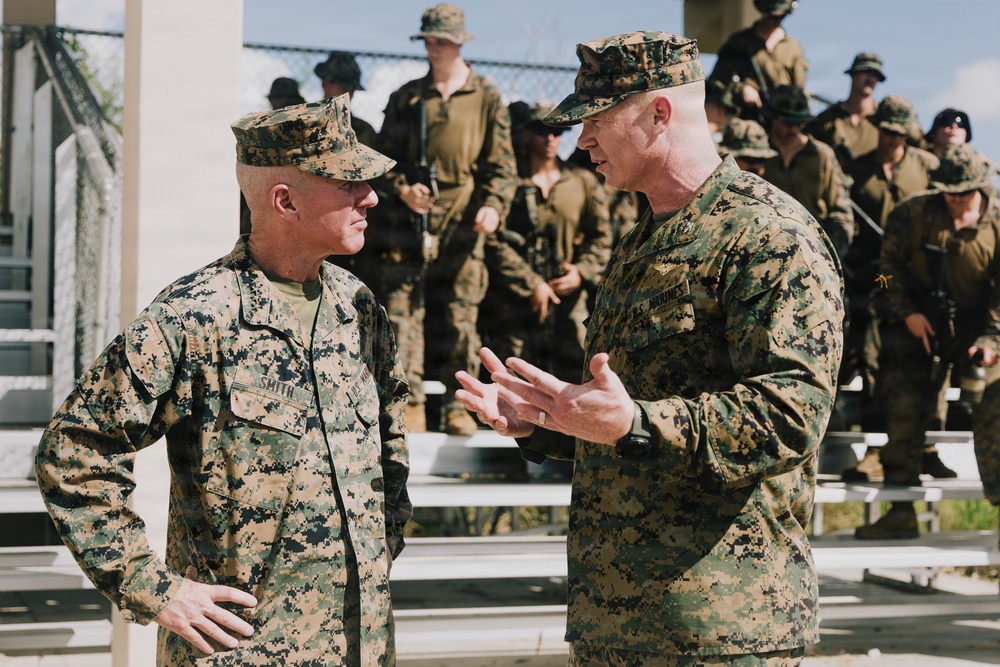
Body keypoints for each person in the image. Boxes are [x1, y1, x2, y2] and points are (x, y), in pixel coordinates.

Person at [456, 31, 843, 664]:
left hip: (720, 627)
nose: (582, 140)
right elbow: (630, 420)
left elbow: (791, 415)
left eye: (597, 120)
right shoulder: (642, 239)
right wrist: (549, 422)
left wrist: (635, 424)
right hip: (616, 623)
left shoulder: (768, 235)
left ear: (659, 113)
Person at [35, 96, 412, 665]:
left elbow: (390, 429)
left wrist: (384, 541)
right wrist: (153, 588)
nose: (370, 196)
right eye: (347, 183)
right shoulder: (196, 314)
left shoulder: (356, 307)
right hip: (242, 651)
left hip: (360, 645)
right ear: (285, 201)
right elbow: (74, 452)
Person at [377, 3, 515, 434]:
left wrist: (493, 206)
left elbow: (502, 166)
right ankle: (409, 406)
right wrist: (402, 188)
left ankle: (460, 407)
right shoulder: (407, 97)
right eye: (429, 40)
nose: (434, 47)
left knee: (460, 315)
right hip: (410, 223)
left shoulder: (486, 95)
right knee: (402, 313)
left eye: (443, 41)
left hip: (463, 221)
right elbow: (381, 159)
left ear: (459, 43)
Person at [855, 144, 1000, 539]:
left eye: (963, 192)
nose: (955, 199)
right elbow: (884, 271)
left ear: (979, 187)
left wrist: (990, 340)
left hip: (977, 327)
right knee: (901, 402)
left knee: (994, 399)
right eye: (948, 192)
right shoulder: (912, 212)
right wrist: (906, 312)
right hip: (918, 322)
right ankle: (900, 510)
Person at [841, 94, 946, 478]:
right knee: (873, 356)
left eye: (900, 133)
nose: (892, 139)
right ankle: (875, 447)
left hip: (920, 276)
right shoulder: (857, 169)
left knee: (929, 355)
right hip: (876, 276)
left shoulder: (927, 166)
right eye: (886, 131)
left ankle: (928, 445)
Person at [481, 102, 611, 409]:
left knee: (575, 377)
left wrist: (580, 272)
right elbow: (492, 241)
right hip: (515, 299)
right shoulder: (510, 184)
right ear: (526, 134)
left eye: (558, 132)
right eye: (542, 132)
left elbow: (602, 237)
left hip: (568, 299)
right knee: (514, 381)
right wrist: (531, 283)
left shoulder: (582, 182)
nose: (551, 139)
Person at [315, 50, 389, 299]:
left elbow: (380, 183)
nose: (346, 95)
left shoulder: (364, 132)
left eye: (351, 89)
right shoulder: (304, 129)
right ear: (324, 83)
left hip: (358, 232)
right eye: (341, 86)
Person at [762, 85, 854, 260]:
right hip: (765, 247)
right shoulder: (758, 155)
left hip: (813, 251)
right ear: (773, 117)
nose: (794, 129)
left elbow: (841, 213)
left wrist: (829, 253)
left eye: (799, 123)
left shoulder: (822, 155)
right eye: (788, 123)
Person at [710, 0, 809, 119]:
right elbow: (717, 82)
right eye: (773, 16)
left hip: (781, 119)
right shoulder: (739, 42)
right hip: (747, 116)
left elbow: (799, 90)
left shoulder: (794, 48)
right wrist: (741, 89)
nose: (778, 20)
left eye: (782, 16)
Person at [805, 52, 885, 168]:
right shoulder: (828, 119)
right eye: (866, 72)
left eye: (876, 75)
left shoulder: (885, 119)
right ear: (853, 74)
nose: (871, 79)